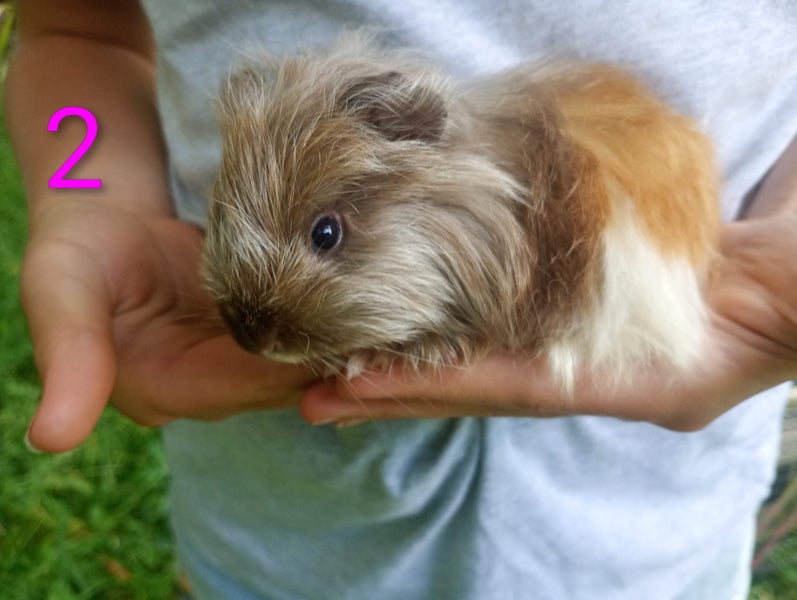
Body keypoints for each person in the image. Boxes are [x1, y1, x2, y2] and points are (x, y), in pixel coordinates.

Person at [7, 1, 797, 598]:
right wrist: (87, 192)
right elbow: (76, 31)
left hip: (652, 526)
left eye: (323, 236)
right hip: (280, 527)